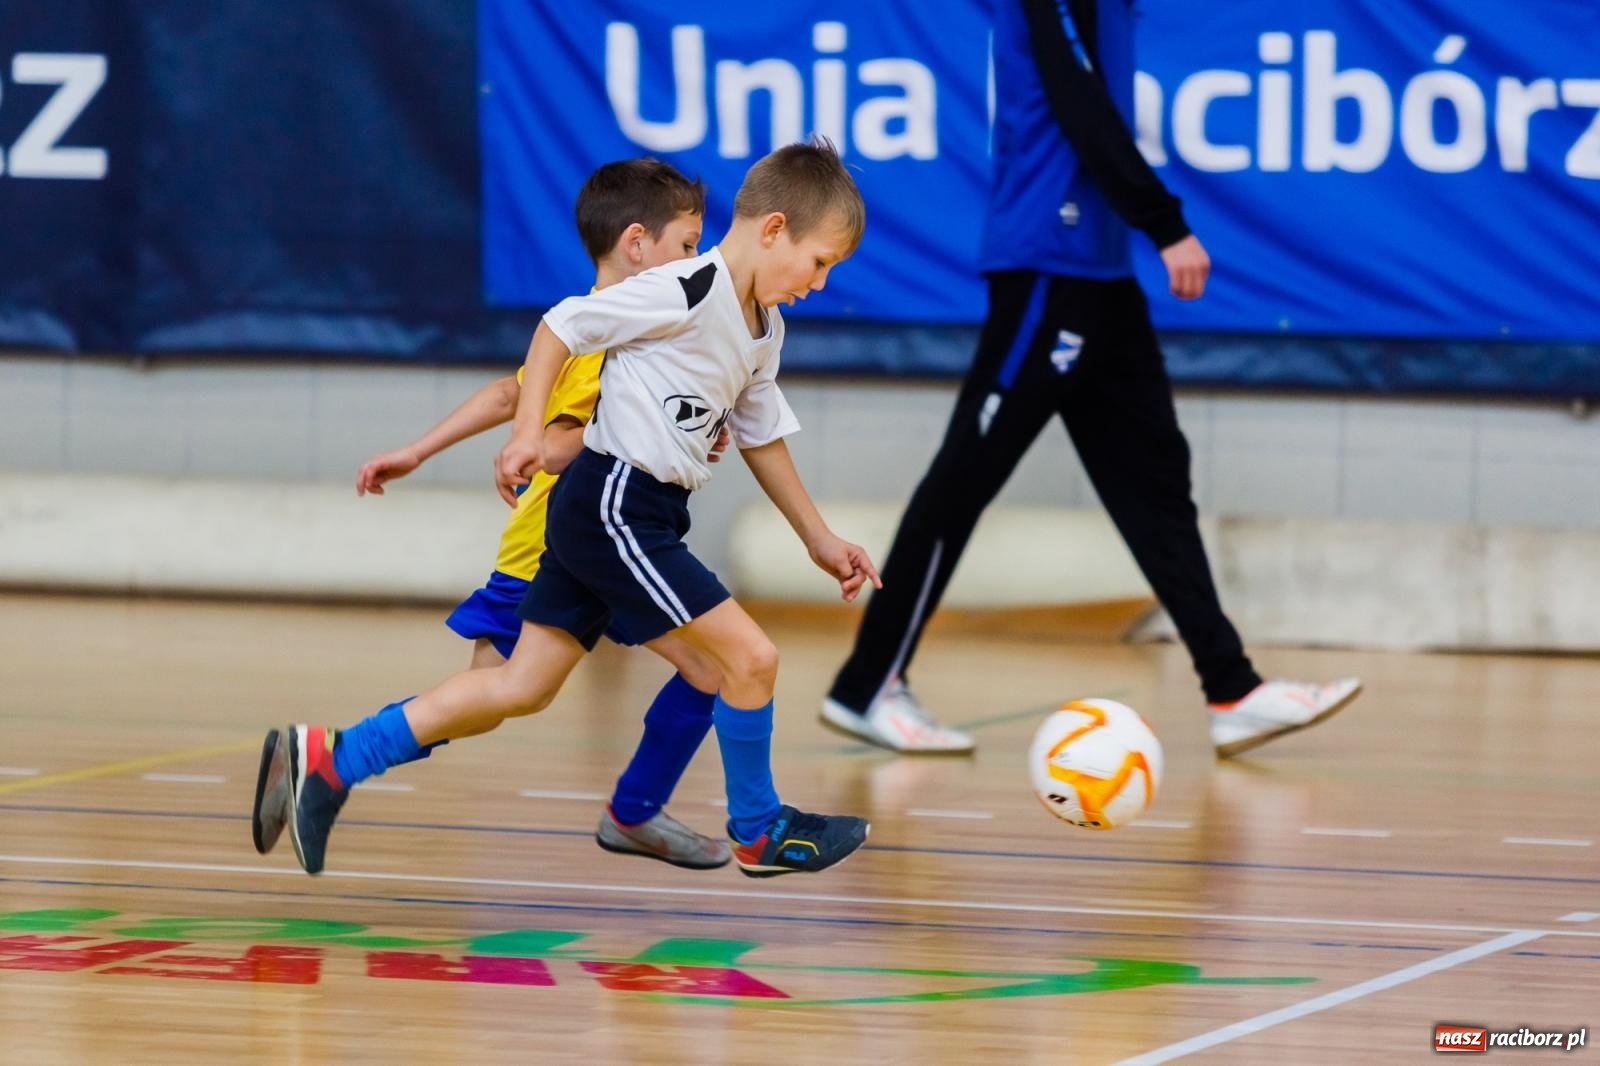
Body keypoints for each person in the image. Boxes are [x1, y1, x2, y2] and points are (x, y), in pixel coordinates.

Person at [271, 138, 881, 879]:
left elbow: (760, 435)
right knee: (749, 657)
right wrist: (529, 430)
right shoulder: (687, 287)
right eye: (819, 263)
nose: (820, 283)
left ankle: (332, 760)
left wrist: (818, 538)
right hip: (616, 507)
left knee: (521, 687)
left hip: (626, 512)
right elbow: (562, 325)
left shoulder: (764, 328)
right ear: (774, 228)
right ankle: (756, 829)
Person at [820, 0, 1360, 758]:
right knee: (965, 476)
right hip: (1050, 261)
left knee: (1155, 486)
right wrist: (1164, 221)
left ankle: (1231, 687)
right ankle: (868, 683)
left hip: (1101, 275)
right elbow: (1080, 102)